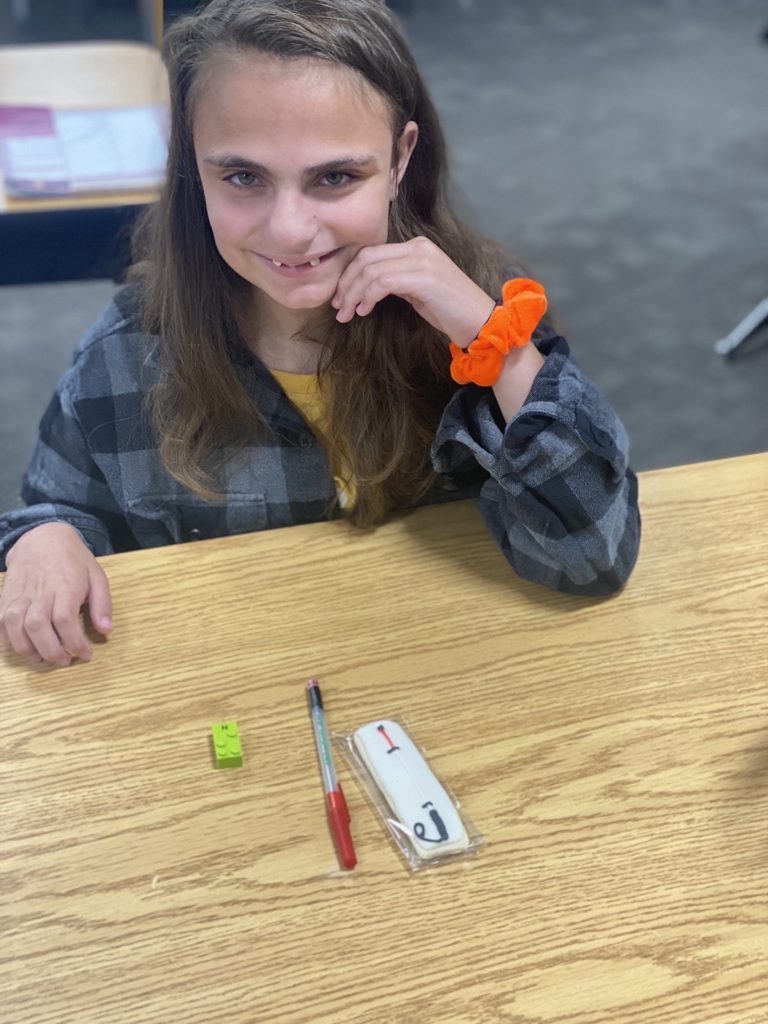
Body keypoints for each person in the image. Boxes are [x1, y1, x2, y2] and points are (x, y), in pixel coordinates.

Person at [0, 0, 640, 668]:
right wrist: (41, 539)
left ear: (399, 160)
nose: (289, 230)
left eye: (335, 177)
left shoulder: (482, 315)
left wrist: (496, 344)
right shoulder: (129, 353)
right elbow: (54, 512)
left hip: (452, 671)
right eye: (243, 176)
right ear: (193, 165)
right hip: (241, 690)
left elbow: (593, 555)